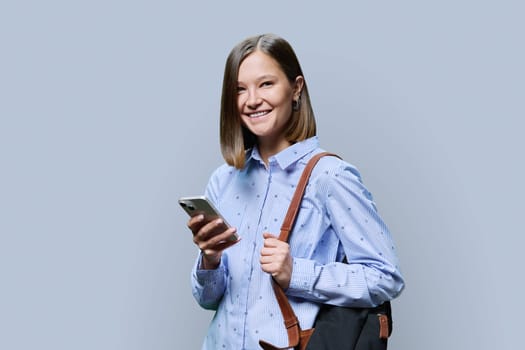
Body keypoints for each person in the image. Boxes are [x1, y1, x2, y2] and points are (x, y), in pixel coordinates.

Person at [187, 33, 405, 350]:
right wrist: (209, 259)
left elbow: (386, 277)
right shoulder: (223, 180)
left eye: (266, 84)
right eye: (240, 89)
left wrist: (296, 273)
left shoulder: (329, 177)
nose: (252, 100)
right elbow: (208, 300)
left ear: (296, 88)